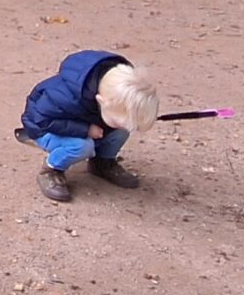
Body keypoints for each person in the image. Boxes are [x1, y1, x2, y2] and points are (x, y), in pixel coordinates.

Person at [18, 49, 162, 203]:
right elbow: (43, 120)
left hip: (86, 122)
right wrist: (86, 130)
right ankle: (51, 169)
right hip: (44, 129)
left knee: (120, 132)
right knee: (81, 146)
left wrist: (114, 125)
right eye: (117, 120)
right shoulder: (64, 97)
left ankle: (102, 163)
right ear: (101, 102)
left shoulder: (110, 95)